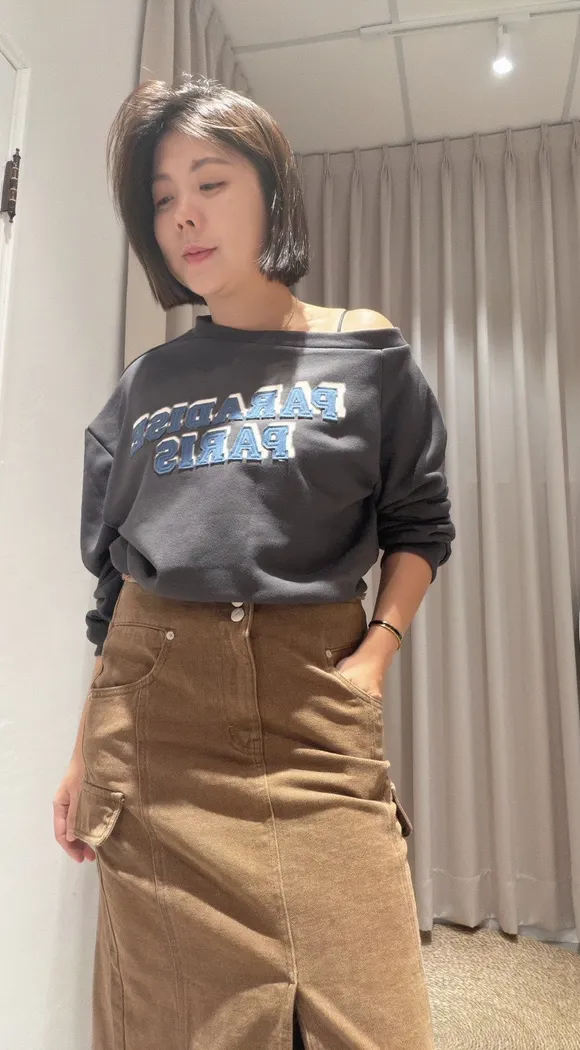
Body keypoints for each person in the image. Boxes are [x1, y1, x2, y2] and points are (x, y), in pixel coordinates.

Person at [53, 73, 455, 1050]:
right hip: (158, 730)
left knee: (375, 1019)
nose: (184, 216)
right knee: (172, 1024)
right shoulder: (143, 388)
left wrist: (378, 652)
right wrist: (82, 750)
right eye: (162, 200)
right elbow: (114, 592)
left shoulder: (366, 352)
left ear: (271, 192)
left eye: (210, 183)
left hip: (314, 720)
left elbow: (419, 524)